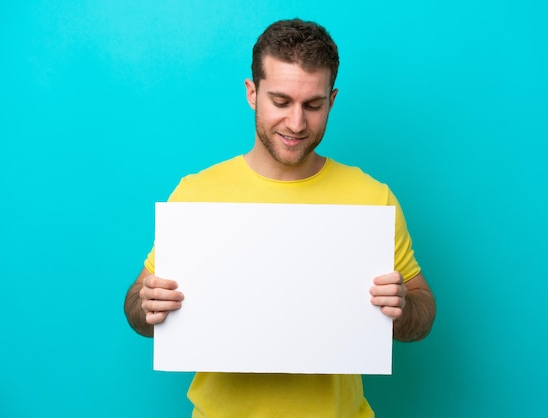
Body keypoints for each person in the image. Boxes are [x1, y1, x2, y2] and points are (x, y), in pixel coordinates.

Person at [124, 18, 436, 417]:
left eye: (313, 105)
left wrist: (402, 308)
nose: (296, 123)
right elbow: (136, 306)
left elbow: (423, 311)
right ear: (252, 93)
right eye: (281, 101)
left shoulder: (372, 198)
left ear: (332, 100)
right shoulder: (197, 195)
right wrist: (148, 302)